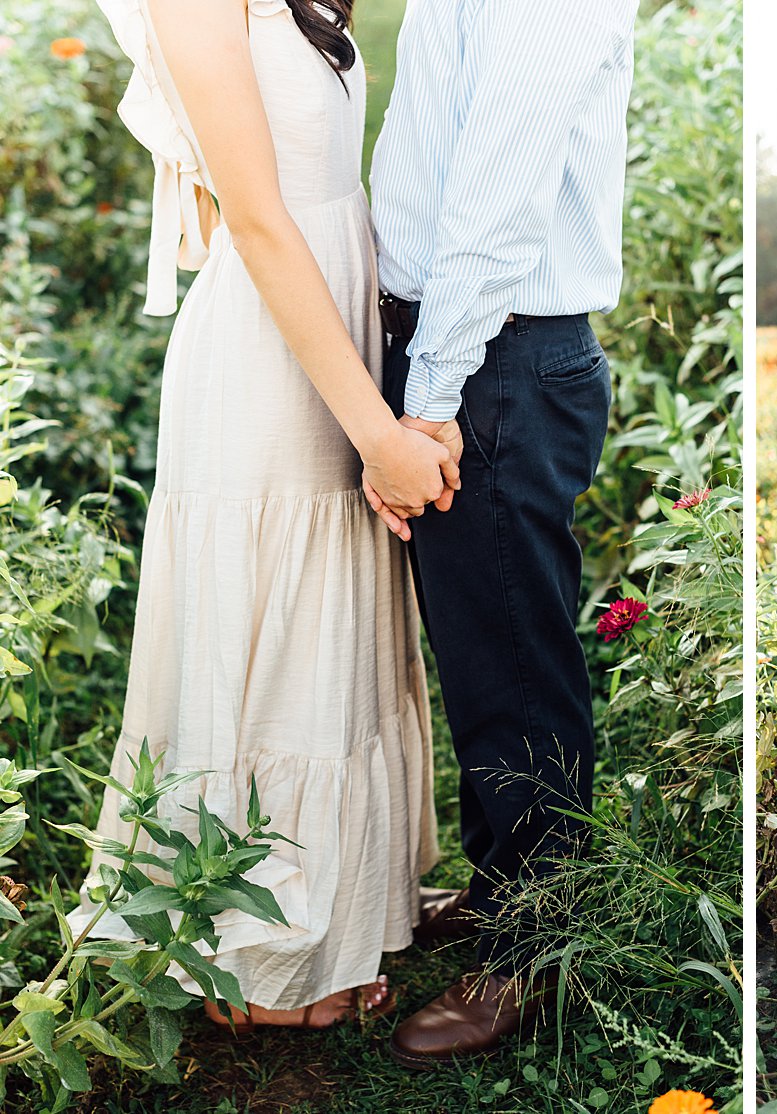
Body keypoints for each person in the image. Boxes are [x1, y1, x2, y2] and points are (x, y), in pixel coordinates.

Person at [73, 0, 462, 1026]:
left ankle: (337, 902)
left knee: (329, 624)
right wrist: (376, 431)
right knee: (278, 625)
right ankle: (258, 962)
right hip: (267, 345)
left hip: (335, 321)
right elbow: (248, 216)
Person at [365, 0, 639, 1066]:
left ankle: (536, 946)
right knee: (481, 650)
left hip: (495, 361)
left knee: (514, 663)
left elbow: (499, 194)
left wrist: (431, 397)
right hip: (471, 350)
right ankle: (501, 890)